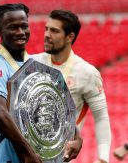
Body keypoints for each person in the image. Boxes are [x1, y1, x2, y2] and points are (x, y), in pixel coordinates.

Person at [0, 4, 83, 163]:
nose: (20, 32)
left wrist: (77, 136)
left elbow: (60, 108)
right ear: (0, 31)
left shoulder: (36, 63)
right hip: (9, 158)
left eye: (24, 26)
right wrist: (28, 152)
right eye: (13, 27)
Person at [30, 10, 111, 163]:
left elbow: (101, 117)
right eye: (46, 29)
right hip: (25, 156)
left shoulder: (87, 73)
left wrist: (103, 159)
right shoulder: (31, 63)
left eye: (54, 31)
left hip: (59, 158)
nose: (47, 34)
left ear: (70, 37)